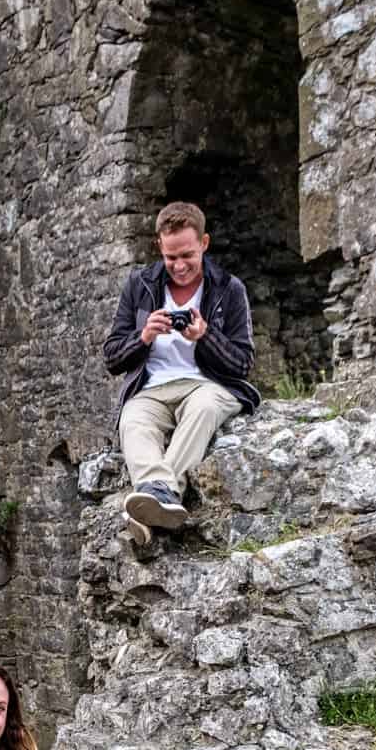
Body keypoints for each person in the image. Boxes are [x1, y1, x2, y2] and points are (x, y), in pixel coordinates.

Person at [104, 200, 261, 545]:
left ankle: (154, 500)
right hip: (152, 388)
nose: (179, 266)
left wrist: (205, 336)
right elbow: (112, 357)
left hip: (209, 385)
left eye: (187, 256)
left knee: (203, 408)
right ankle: (161, 502)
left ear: (204, 243)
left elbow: (242, 364)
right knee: (131, 418)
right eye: (170, 257)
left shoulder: (229, 289)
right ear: (159, 246)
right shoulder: (139, 285)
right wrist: (144, 336)